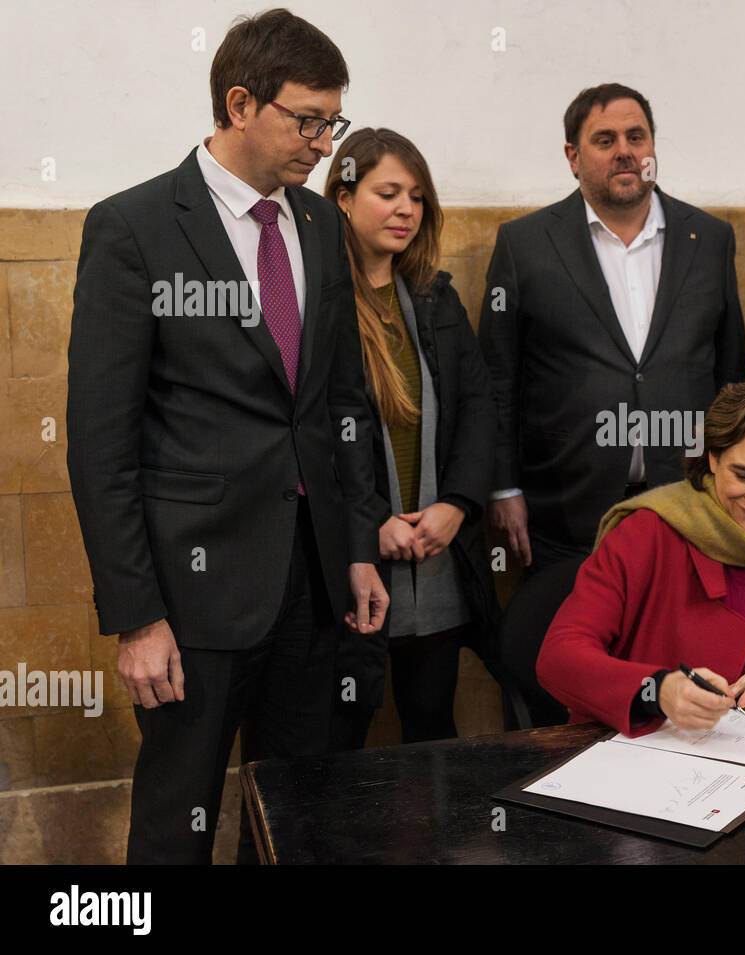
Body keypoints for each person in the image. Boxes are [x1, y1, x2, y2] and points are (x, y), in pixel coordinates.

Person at [65, 9, 387, 864]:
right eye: (307, 119)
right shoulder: (133, 227)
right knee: (178, 821)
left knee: (295, 812)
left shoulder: (318, 226)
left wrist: (358, 545)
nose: (323, 143)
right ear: (240, 103)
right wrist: (136, 617)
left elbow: (338, 404)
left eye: (333, 120)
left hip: (311, 587)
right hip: (194, 595)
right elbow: (100, 443)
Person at [478, 82, 745, 574]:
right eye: (605, 140)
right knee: (569, 647)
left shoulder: (709, 239)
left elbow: (733, 376)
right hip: (565, 516)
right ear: (573, 156)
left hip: (690, 509)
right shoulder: (525, 245)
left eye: (637, 137)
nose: (625, 152)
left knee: (677, 652)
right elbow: (498, 381)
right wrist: (503, 486)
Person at [537, 378, 745, 737]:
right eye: (743, 475)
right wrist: (657, 689)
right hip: (646, 745)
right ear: (713, 456)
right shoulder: (645, 531)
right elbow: (558, 658)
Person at [325, 128, 498, 747]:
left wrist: (457, 504)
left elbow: (478, 408)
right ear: (343, 198)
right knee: (338, 741)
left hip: (436, 556)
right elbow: (314, 438)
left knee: (432, 730)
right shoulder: (316, 302)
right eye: (388, 192)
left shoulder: (432, 296)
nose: (405, 209)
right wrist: (370, 522)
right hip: (349, 559)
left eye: (417, 197)